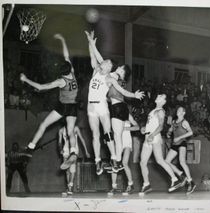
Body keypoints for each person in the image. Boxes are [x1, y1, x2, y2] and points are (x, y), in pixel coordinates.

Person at [85, 31, 144, 175]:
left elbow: (122, 91)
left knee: (110, 134)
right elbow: (94, 57)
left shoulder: (112, 76)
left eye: (108, 63)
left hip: (105, 105)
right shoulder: (97, 70)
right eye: (105, 62)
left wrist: (134, 95)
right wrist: (90, 43)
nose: (105, 62)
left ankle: (115, 159)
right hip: (92, 105)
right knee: (96, 134)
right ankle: (98, 161)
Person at [20, 34, 78, 170]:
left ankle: (30, 148)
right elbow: (66, 56)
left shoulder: (60, 81)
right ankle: (74, 151)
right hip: (73, 107)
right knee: (70, 132)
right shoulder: (73, 73)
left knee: (44, 124)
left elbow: (41, 87)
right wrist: (63, 40)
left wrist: (26, 79)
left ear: (60, 71)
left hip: (62, 107)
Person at [139, 94, 184, 195]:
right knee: (142, 162)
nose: (158, 96)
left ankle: (174, 179)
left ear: (163, 102)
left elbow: (160, 127)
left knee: (159, 160)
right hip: (148, 137)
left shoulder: (160, 111)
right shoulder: (153, 111)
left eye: (161, 96)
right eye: (158, 95)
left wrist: (152, 135)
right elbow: (151, 125)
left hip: (154, 137)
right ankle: (146, 184)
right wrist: (144, 129)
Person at [107, 64, 144, 171]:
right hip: (122, 107)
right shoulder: (121, 81)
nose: (117, 67)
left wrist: (134, 95)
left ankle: (117, 162)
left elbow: (122, 92)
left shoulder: (116, 78)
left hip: (117, 107)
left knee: (117, 137)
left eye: (120, 67)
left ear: (123, 72)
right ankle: (116, 161)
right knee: (116, 136)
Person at [165, 106, 196, 195]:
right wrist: (168, 133)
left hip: (182, 143)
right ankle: (181, 175)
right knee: (166, 161)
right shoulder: (174, 122)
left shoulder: (184, 122)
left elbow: (190, 132)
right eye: (177, 109)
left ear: (183, 113)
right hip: (175, 144)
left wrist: (179, 137)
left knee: (182, 162)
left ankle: (190, 182)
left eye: (180, 110)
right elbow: (170, 130)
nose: (178, 110)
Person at [107, 113, 139, 196]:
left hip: (127, 142)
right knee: (114, 164)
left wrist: (125, 128)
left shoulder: (128, 115)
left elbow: (137, 127)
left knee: (124, 163)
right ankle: (114, 187)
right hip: (117, 143)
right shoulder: (114, 115)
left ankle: (130, 185)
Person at [58, 125, 90, 196]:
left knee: (72, 169)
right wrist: (60, 149)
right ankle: (69, 187)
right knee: (67, 171)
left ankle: (70, 187)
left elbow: (82, 139)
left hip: (74, 150)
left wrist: (86, 151)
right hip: (65, 150)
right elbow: (60, 142)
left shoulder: (75, 128)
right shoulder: (61, 130)